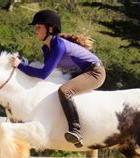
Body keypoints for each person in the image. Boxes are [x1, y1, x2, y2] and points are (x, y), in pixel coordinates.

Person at [10, 9, 106, 148]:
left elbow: (43, 73)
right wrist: (22, 67)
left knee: (64, 91)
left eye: (38, 27)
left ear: (50, 28)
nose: (35, 30)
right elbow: (47, 74)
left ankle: (75, 130)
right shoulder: (47, 48)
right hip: (79, 73)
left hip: (95, 73)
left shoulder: (59, 45)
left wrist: (20, 65)